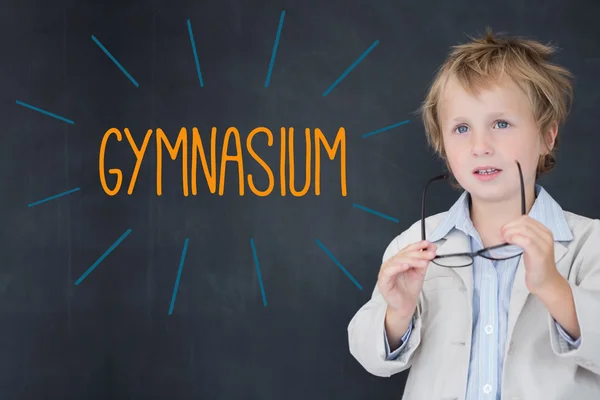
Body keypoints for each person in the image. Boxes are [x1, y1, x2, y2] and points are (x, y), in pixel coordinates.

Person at [347, 28, 600, 400]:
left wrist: (552, 285)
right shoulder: (415, 243)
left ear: (547, 136)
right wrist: (397, 313)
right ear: (442, 145)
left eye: (501, 124)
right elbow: (370, 356)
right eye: (462, 128)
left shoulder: (589, 243)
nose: (481, 146)